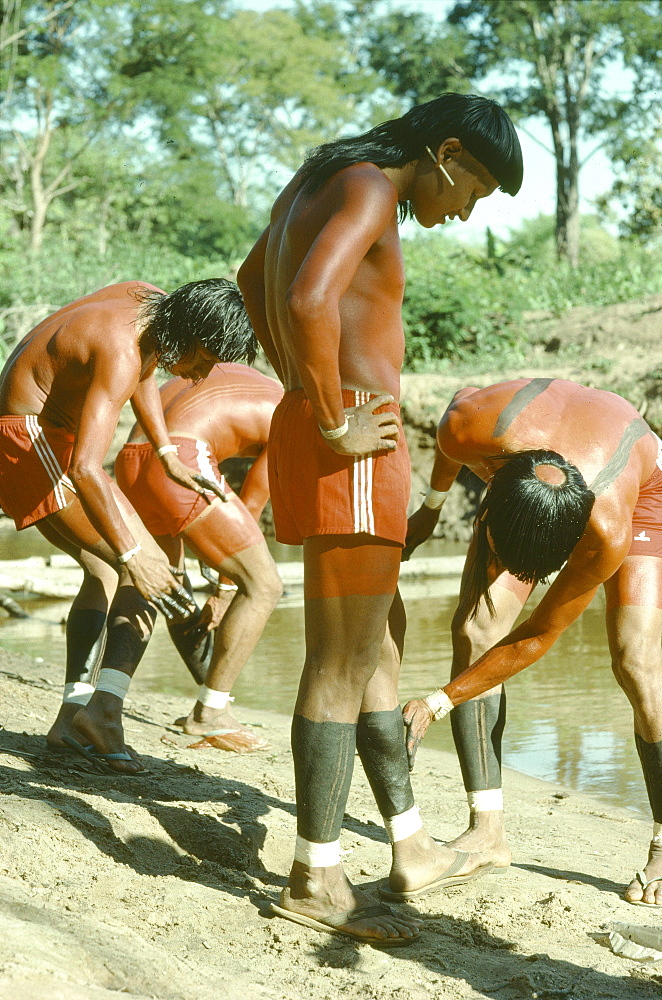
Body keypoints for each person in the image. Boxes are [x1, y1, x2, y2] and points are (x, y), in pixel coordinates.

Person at [237, 93, 523, 944]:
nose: (466, 210)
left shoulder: (320, 176)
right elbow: (308, 298)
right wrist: (333, 414)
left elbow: (257, 280)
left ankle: (405, 846)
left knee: (371, 654)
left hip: (321, 424)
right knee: (342, 659)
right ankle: (315, 878)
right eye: (474, 190)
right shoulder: (368, 187)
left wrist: (302, 393)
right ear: (445, 153)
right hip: (355, 434)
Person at [402, 377, 662, 908]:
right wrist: (429, 511)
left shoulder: (605, 532)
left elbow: (538, 635)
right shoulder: (469, 428)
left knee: (636, 662)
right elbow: (454, 417)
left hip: (644, 491)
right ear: (491, 495)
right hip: (539, 462)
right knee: (476, 629)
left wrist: (438, 701)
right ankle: (486, 832)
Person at [0, 278, 256, 773]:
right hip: (29, 440)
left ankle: (73, 716)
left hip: (27, 430)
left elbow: (145, 372)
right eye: (202, 361)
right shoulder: (120, 348)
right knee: (145, 565)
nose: (201, 375)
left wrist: (165, 452)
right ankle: (105, 716)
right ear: (187, 332)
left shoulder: (148, 303)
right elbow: (87, 469)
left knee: (102, 571)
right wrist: (135, 554)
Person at [115, 363, 284, 752]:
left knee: (157, 580)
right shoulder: (293, 414)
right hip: (183, 454)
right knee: (263, 585)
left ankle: (105, 702)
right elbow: (253, 502)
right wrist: (225, 589)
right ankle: (209, 712)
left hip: (133, 456)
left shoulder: (228, 375)